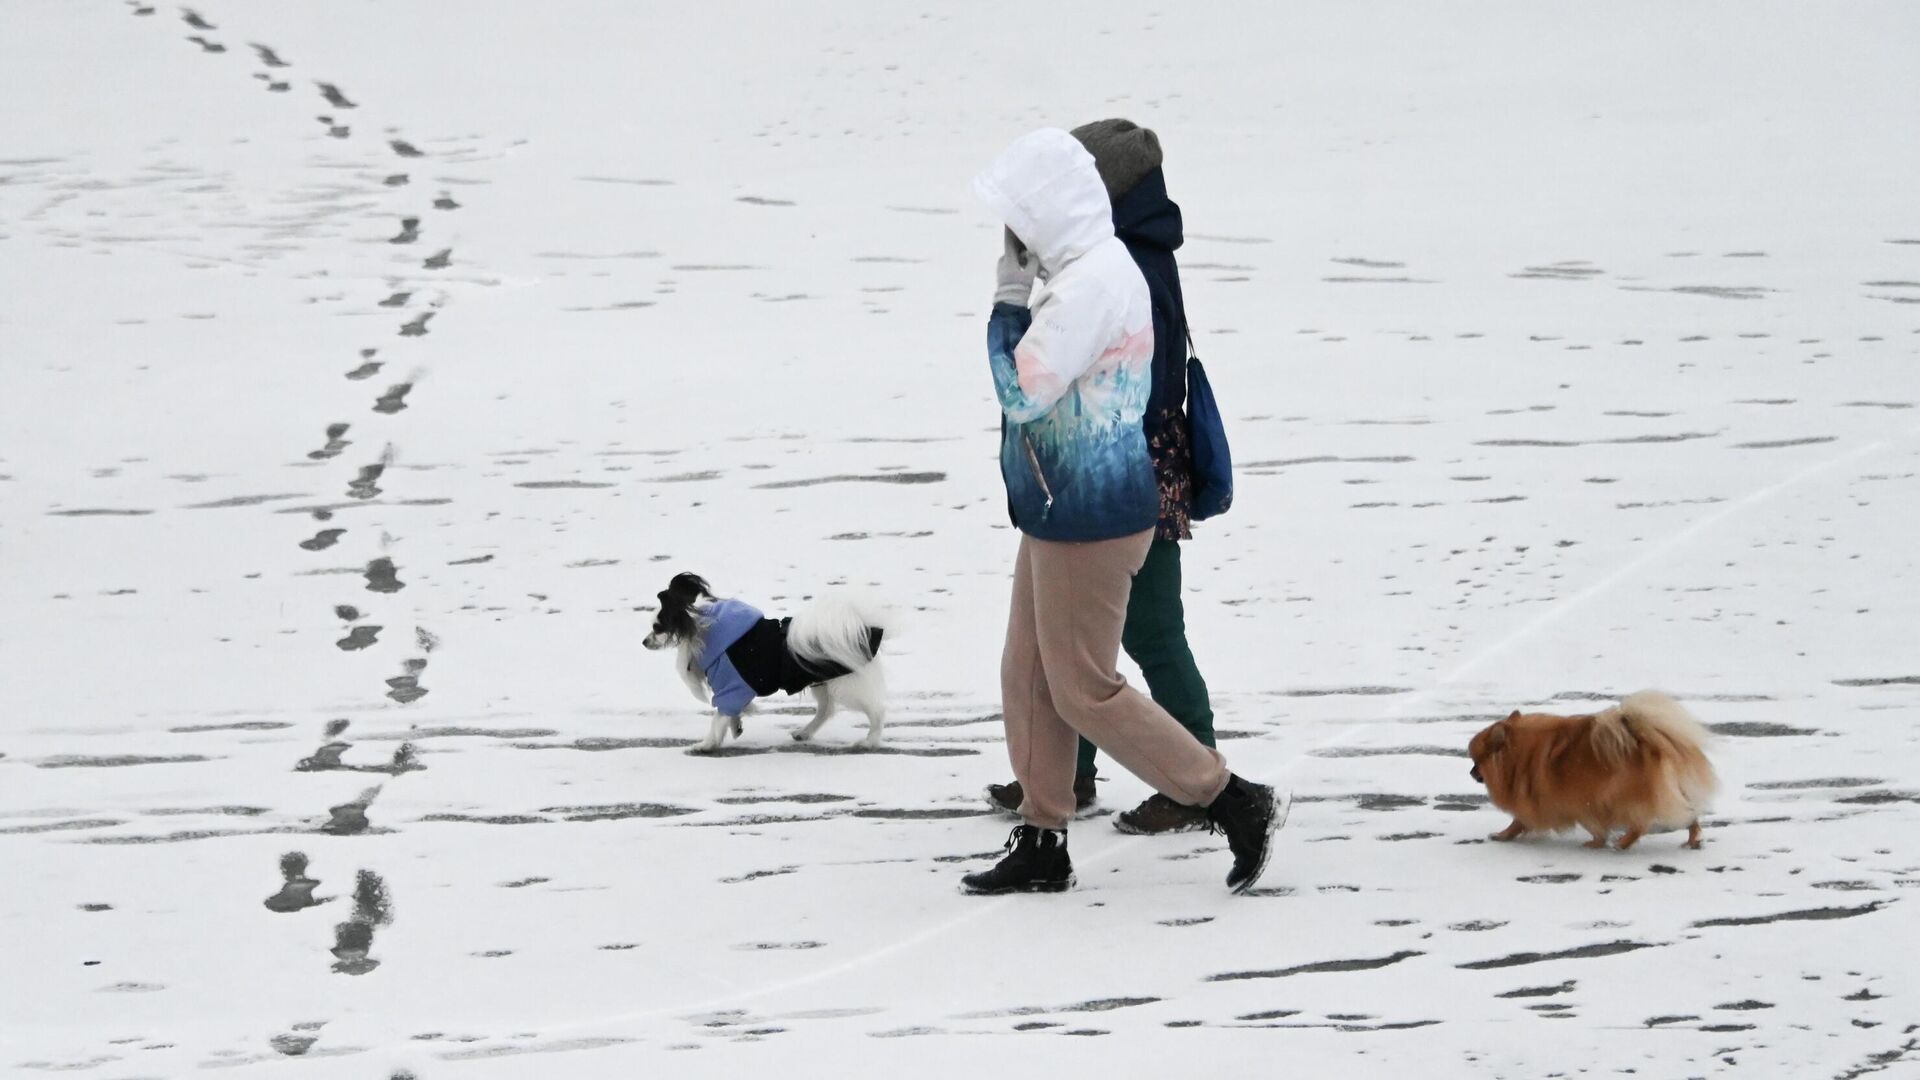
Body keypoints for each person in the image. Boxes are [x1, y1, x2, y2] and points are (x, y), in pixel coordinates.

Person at [960, 128, 1282, 895]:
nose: (1013, 239)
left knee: (1084, 688)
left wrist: (1007, 303)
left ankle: (1231, 800)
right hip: (1055, 502)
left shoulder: (1093, 286)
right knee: (1031, 674)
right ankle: (1043, 838)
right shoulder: (1087, 272)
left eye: (1019, 221)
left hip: (1094, 515)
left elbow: (1023, 390)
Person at [983, 118, 1219, 835]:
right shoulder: (1124, 255)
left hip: (1128, 475)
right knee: (1078, 643)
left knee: (1148, 632)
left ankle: (1203, 775)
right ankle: (1070, 778)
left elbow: (1073, 385)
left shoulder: (1126, 265)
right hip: (1122, 471)